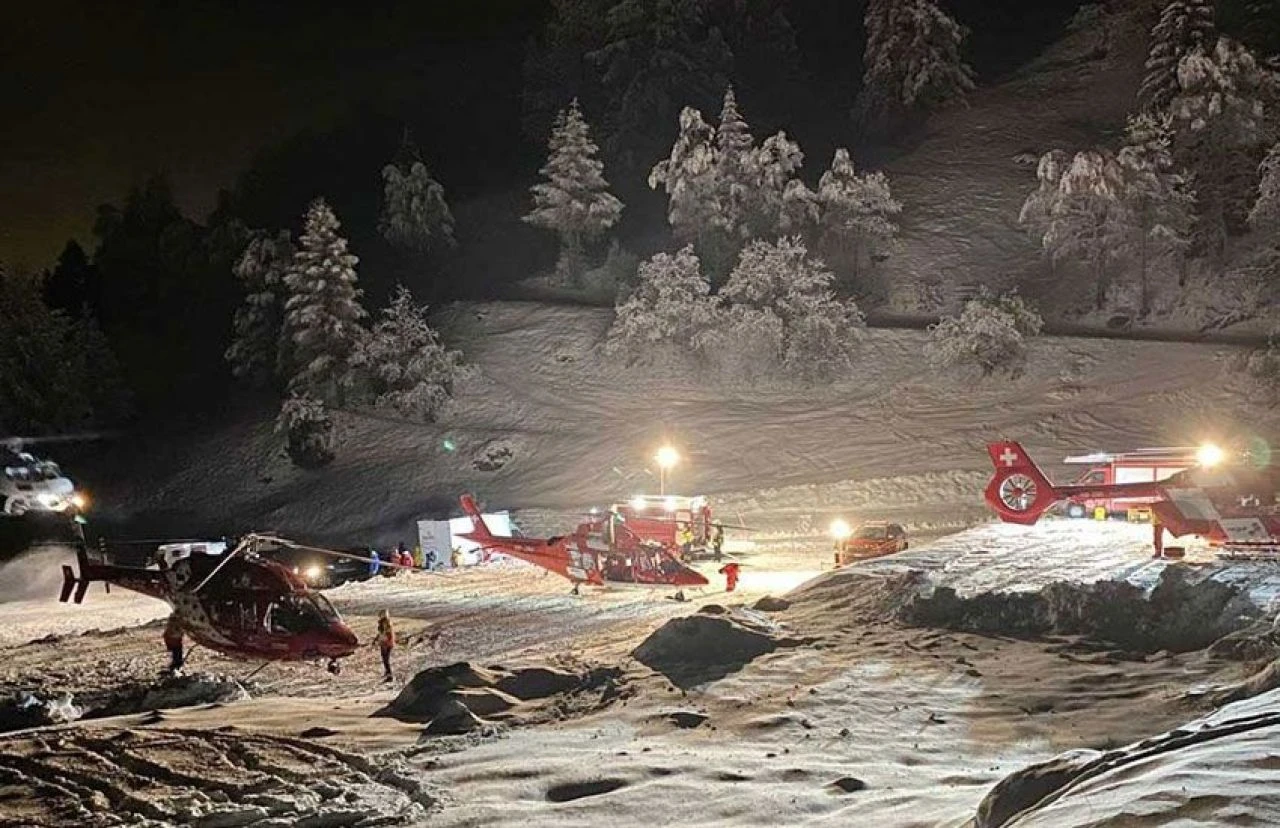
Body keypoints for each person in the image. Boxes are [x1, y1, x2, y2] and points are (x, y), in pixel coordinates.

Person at [377, 609, 395, 682]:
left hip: (386, 643)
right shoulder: (382, 623)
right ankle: (387, 672)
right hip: (384, 643)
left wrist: (385, 642)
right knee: (385, 659)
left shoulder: (386, 623)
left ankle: (390, 675)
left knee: (386, 660)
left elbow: (387, 634)